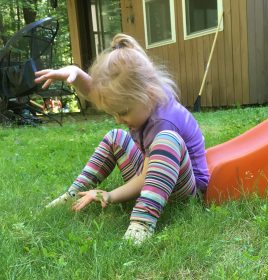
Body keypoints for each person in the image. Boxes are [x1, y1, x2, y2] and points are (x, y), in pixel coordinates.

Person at [35, 33, 210, 245]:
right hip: (153, 173)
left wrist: (109, 195)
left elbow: (146, 177)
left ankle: (142, 223)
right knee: (115, 137)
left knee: (167, 140)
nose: (118, 119)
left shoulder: (163, 122)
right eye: (114, 113)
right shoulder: (143, 95)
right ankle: (74, 194)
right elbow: (104, 93)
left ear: (150, 95)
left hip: (183, 189)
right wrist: (77, 74)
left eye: (124, 112)